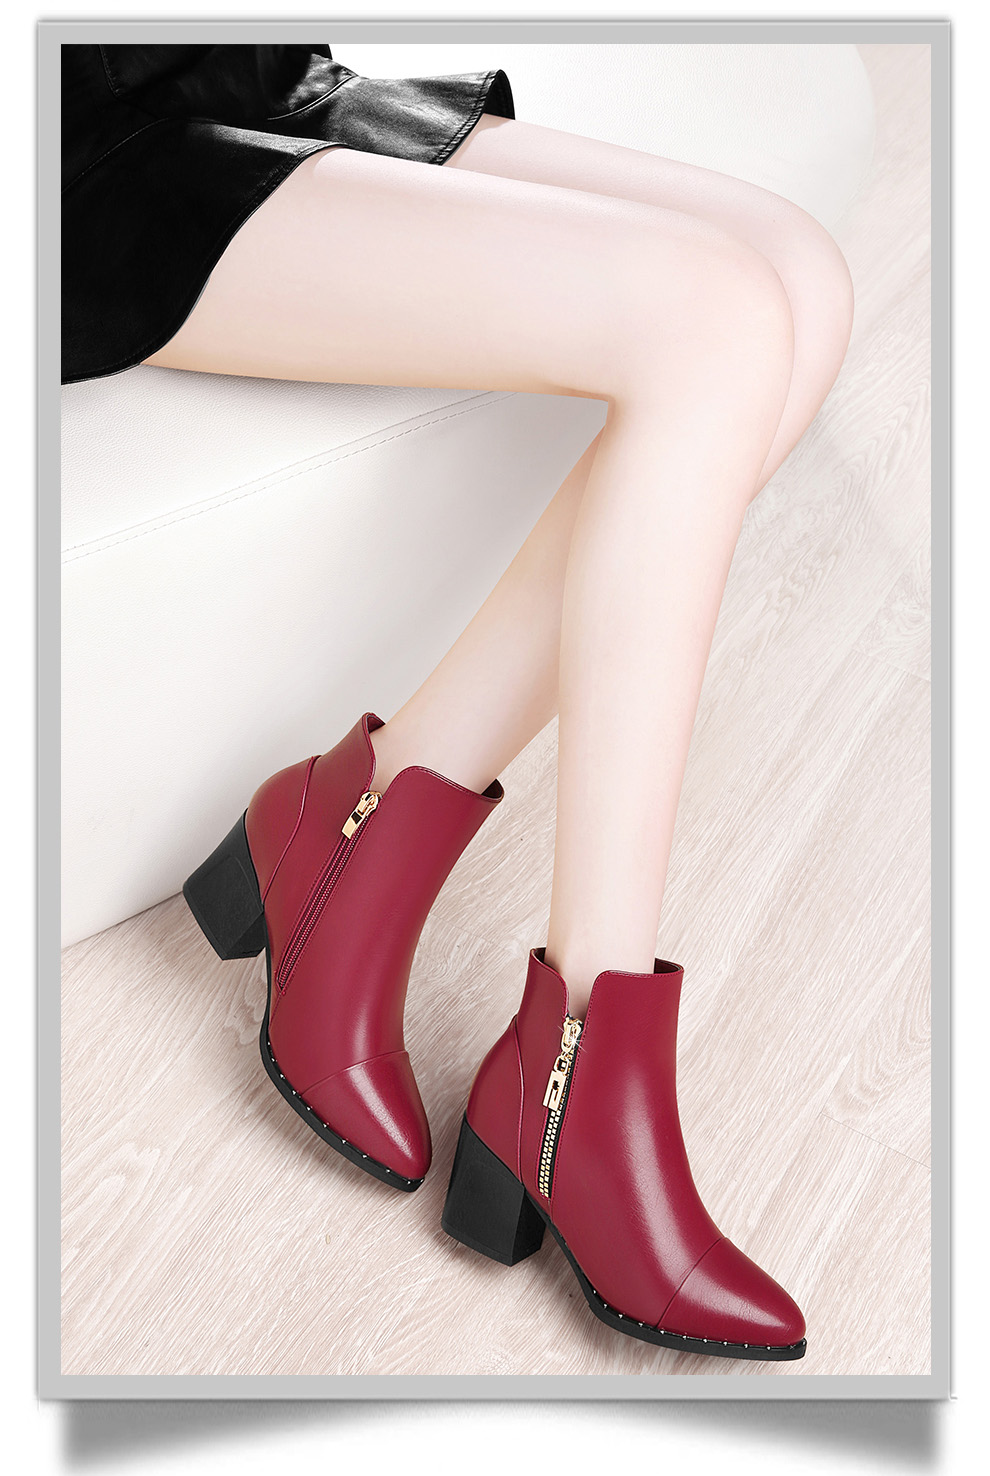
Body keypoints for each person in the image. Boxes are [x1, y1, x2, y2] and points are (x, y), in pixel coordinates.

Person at [63, 42, 855, 1363]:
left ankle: (357, 831)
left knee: (799, 278)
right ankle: (581, 1066)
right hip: (83, 153)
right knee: (711, 320)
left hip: (235, 72)